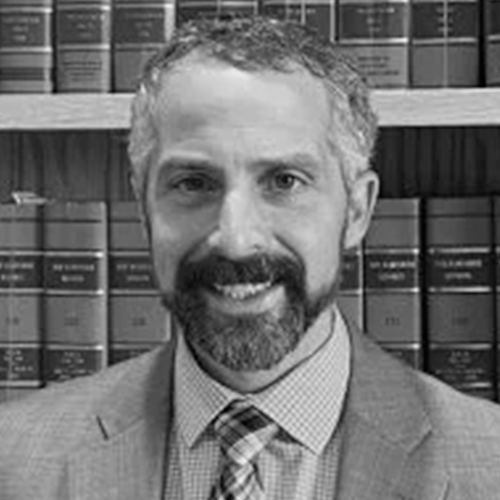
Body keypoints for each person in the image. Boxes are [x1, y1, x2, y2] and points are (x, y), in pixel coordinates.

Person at [1, 16, 500, 500]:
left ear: (356, 210)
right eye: (193, 183)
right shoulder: (13, 461)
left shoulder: (488, 464)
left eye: (284, 182)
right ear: (144, 206)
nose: (236, 240)